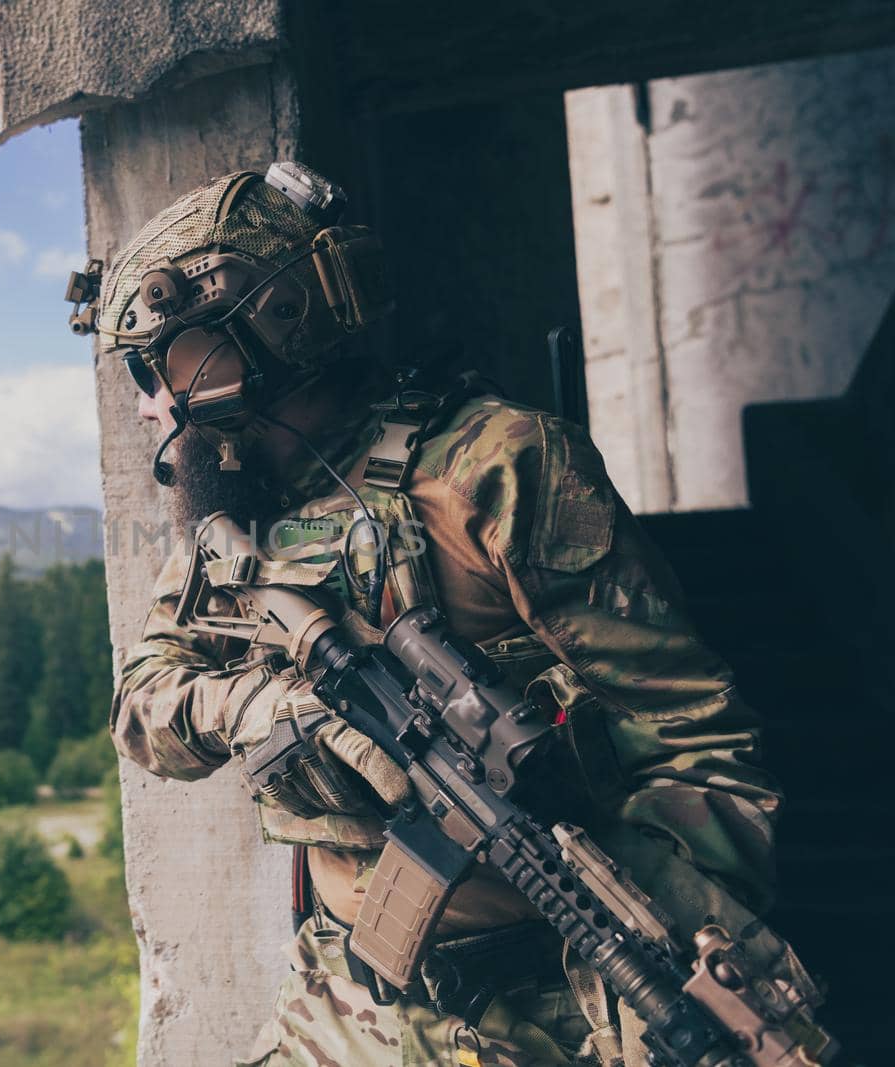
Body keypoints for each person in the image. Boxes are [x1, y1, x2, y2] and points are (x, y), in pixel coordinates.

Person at [76, 163, 784, 1066]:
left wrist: (667, 960)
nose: (150, 400)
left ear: (270, 323)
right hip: (345, 994)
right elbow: (142, 707)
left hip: (558, 998)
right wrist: (281, 712)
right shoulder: (238, 508)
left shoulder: (497, 466)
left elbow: (698, 737)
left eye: (166, 361)